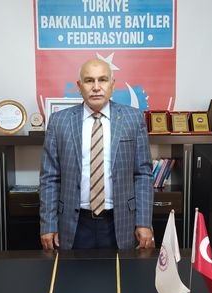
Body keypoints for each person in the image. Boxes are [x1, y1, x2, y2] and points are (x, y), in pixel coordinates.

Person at [39, 58, 154, 250]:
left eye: (103, 79)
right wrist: (48, 224)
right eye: (89, 80)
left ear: (113, 85)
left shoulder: (133, 118)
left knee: (121, 278)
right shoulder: (59, 121)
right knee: (72, 279)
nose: (96, 87)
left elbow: (142, 174)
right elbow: (50, 177)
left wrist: (143, 222)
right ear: (79, 86)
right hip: (73, 224)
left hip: (120, 223)